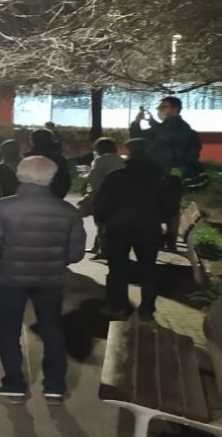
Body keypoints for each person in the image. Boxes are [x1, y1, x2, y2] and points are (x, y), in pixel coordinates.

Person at [0, 156, 86, 405]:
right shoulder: (67, 211)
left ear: (20, 175)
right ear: (51, 177)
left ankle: (14, 384)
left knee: (9, 330)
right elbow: (76, 253)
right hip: (51, 279)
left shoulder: (2, 207)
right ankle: (54, 387)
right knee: (53, 330)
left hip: (11, 278)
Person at [95, 139, 177, 322]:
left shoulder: (116, 177)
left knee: (117, 269)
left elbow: (100, 204)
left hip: (118, 228)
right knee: (148, 269)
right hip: (149, 229)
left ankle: (118, 307)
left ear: (129, 153)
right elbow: (170, 210)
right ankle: (147, 310)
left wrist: (103, 223)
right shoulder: (162, 179)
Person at [131, 96, 200, 248]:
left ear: (174, 109)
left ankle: (170, 240)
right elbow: (139, 137)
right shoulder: (162, 126)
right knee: (157, 207)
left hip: (171, 176)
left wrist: (152, 122)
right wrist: (137, 122)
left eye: (163, 107)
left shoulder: (182, 127)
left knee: (170, 209)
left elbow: (169, 137)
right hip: (156, 175)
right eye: (159, 107)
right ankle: (156, 238)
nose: (159, 111)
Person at [82, 137, 125, 256]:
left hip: (103, 196)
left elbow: (94, 179)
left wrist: (89, 193)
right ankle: (98, 246)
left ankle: (103, 249)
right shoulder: (121, 160)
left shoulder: (100, 160)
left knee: (101, 223)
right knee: (111, 223)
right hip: (120, 196)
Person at [28, 128, 72, 199]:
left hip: (32, 199)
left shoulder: (29, 159)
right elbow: (65, 181)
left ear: (33, 141)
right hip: (55, 199)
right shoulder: (59, 157)